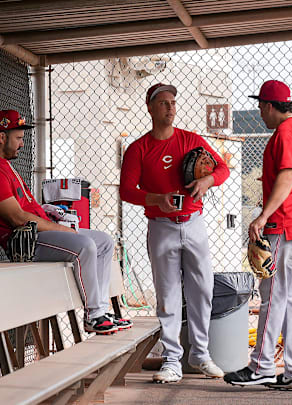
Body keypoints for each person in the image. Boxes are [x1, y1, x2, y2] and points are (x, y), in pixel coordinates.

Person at [0, 109, 132, 335]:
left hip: (40, 234)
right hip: (23, 242)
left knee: (104, 241)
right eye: (18, 138)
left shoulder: (3, 166)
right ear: (1, 137)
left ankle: (102, 311)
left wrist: (50, 215)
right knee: (84, 245)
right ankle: (94, 316)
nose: (22, 144)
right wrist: (62, 229)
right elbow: (16, 218)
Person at [119, 83, 229, 384]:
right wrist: (157, 198)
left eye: (172, 102)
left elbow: (222, 169)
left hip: (193, 221)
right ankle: (171, 360)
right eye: (163, 102)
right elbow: (127, 190)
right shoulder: (139, 148)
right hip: (161, 226)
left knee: (202, 290)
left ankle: (201, 354)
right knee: (167, 295)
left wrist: (207, 182)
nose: (170, 107)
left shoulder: (191, 140)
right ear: (150, 108)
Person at [223, 80, 292, 390]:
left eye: (260, 108)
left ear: (268, 106)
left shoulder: (286, 132)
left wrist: (264, 215)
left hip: (287, 224)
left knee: (273, 297)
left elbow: (289, 174)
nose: (260, 114)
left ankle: (261, 366)